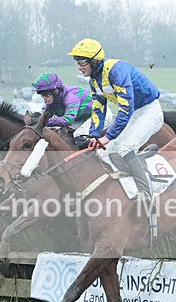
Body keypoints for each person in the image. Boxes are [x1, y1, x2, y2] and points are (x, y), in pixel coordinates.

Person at [68, 38, 164, 205]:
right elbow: (98, 110)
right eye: (77, 62)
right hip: (134, 113)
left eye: (82, 62)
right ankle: (137, 165)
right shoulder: (94, 81)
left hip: (150, 111)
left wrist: (107, 137)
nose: (79, 66)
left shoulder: (116, 71)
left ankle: (146, 194)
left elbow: (125, 109)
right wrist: (94, 135)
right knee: (104, 153)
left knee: (126, 147)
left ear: (95, 61)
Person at [31, 72, 114, 149]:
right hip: (82, 118)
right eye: (42, 95)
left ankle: (98, 157)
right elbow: (45, 119)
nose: (45, 98)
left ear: (56, 91)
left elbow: (68, 119)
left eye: (46, 94)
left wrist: (42, 122)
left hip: (101, 114)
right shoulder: (50, 102)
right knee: (63, 135)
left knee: (78, 136)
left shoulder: (71, 96)